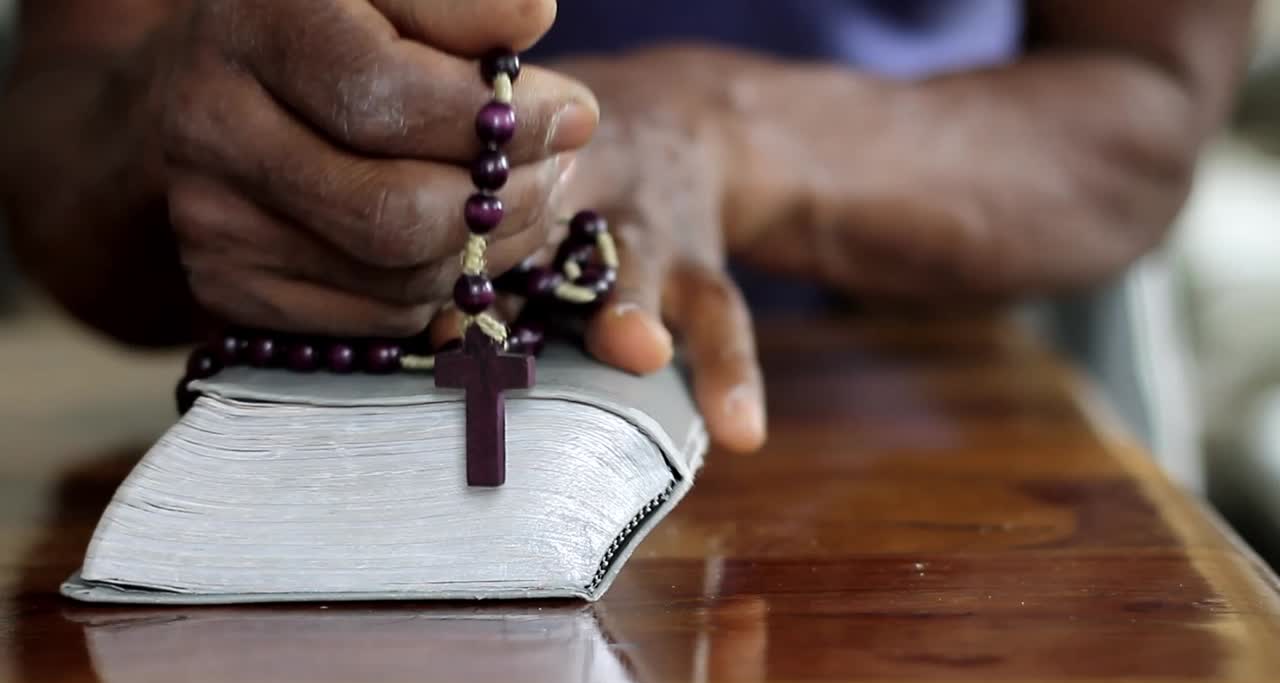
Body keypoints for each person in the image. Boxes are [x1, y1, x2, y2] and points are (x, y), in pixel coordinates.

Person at [0, 1, 1254, 454]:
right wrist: (176, 110)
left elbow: (1146, 109)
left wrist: (717, 129)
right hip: (329, 423)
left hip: (943, 413)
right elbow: (64, 119)